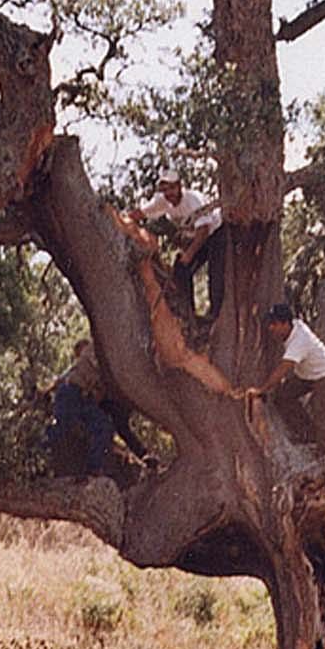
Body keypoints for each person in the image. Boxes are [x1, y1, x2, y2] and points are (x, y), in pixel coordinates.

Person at [243, 303, 325, 454]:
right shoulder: (292, 327)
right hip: (307, 374)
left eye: (274, 324)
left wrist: (262, 389)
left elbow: (283, 369)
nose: (271, 328)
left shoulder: (299, 341)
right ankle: (308, 434)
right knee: (282, 397)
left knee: (318, 407)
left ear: (285, 324)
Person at [128, 169, 225, 317]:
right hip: (198, 237)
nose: (169, 193)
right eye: (165, 190)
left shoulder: (192, 200)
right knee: (181, 270)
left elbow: (203, 230)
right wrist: (120, 220)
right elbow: (141, 213)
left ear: (179, 186)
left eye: (172, 188)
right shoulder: (163, 201)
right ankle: (189, 314)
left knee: (215, 273)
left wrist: (189, 254)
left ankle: (215, 314)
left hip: (215, 233)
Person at [43, 339, 148, 473]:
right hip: (71, 393)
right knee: (62, 428)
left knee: (102, 427)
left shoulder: (95, 352)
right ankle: (36, 456)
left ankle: (93, 469)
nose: (80, 356)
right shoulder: (94, 354)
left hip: (83, 398)